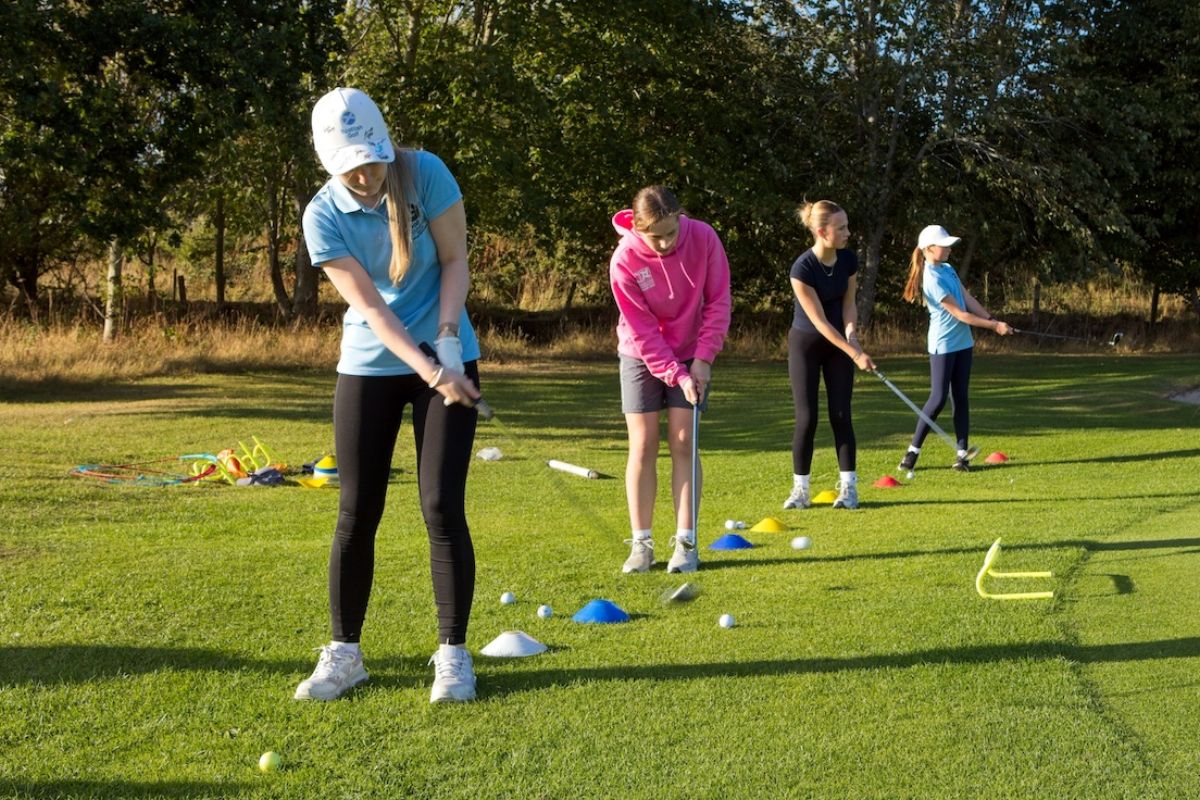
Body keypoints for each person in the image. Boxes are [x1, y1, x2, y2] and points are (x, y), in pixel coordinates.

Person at [294, 87, 483, 704]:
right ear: (328, 161)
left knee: (439, 505)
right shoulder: (321, 214)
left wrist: (450, 342)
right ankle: (345, 654)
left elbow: (455, 260)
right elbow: (372, 309)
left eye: (370, 159)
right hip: (372, 364)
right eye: (350, 165)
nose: (364, 173)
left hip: (449, 350)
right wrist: (431, 371)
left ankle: (453, 656)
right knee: (356, 510)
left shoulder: (424, 172)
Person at [609, 186, 731, 575]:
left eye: (670, 233)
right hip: (639, 354)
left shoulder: (704, 238)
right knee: (643, 444)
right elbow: (644, 332)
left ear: (681, 217)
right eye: (653, 236)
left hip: (694, 349)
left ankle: (686, 542)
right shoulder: (624, 259)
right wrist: (676, 374)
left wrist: (704, 359)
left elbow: (718, 301)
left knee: (683, 440)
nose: (663, 243)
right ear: (638, 228)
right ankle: (641, 544)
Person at [783, 200, 876, 511]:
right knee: (807, 418)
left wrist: (853, 337)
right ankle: (801, 491)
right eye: (841, 228)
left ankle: (849, 489)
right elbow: (820, 322)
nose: (848, 232)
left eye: (847, 225)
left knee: (841, 414)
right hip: (806, 345)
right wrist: (854, 353)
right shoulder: (802, 268)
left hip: (839, 345)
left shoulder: (848, 261)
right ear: (822, 232)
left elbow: (849, 304)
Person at [898, 225, 1013, 473]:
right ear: (929, 249)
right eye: (944, 245)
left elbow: (967, 299)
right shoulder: (931, 278)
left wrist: (992, 318)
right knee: (938, 398)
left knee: (960, 396)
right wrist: (994, 327)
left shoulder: (947, 269)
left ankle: (962, 455)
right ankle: (912, 452)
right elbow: (961, 315)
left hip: (963, 343)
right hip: (944, 345)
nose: (949, 249)